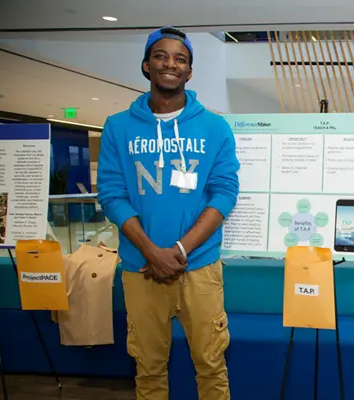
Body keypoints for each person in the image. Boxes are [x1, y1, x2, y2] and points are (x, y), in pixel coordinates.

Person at [97, 26, 239, 400]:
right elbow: (112, 194)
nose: (170, 64)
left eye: (180, 58)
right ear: (146, 65)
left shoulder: (214, 127)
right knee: (148, 367)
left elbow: (224, 193)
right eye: (161, 55)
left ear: (190, 72)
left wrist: (179, 249)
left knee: (211, 365)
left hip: (200, 267)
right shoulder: (118, 127)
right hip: (140, 268)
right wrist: (151, 251)